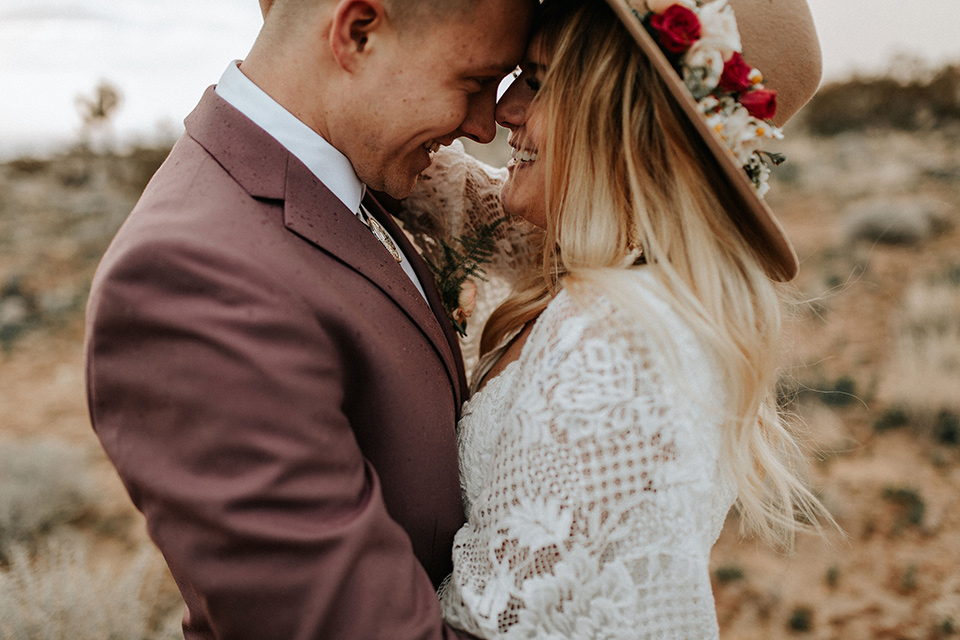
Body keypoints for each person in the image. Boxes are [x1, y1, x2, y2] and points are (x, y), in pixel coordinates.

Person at [83, 0, 535, 638]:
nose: (486, 126)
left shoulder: (352, 171)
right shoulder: (187, 279)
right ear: (357, 32)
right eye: (473, 84)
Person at [397, 0, 835, 637]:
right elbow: (440, 191)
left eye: (540, 81)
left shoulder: (624, 334)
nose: (504, 111)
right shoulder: (607, 269)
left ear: (629, 117)